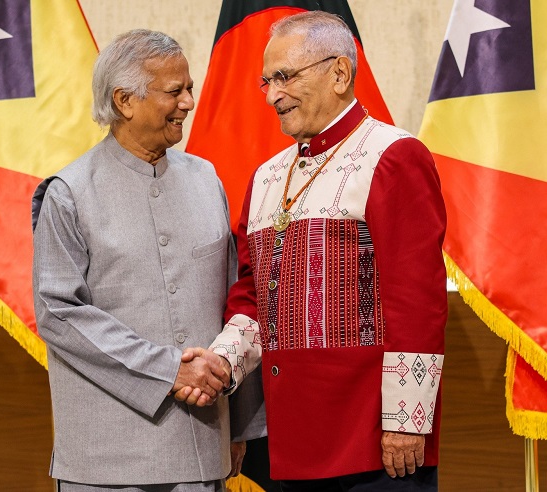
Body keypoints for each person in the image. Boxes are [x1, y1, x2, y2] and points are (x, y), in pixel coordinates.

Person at [176, 11, 446, 491]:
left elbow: (417, 302)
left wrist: (407, 421)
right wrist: (219, 364)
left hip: (372, 440)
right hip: (289, 439)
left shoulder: (393, 155)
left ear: (339, 73)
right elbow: (252, 298)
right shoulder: (265, 177)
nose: (272, 95)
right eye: (266, 81)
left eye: (285, 76)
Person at [32, 29, 264, 492]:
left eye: (190, 88)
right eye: (175, 91)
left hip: (201, 446)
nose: (189, 102)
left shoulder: (207, 179)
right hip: (104, 459)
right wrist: (168, 369)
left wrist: (237, 427)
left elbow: (234, 300)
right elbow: (59, 313)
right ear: (124, 100)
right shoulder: (69, 193)